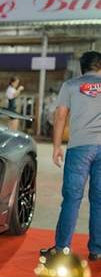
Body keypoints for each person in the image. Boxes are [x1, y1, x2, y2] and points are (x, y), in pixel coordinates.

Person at [40, 51, 101, 261]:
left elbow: (60, 116)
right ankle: (97, 250)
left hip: (79, 148)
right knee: (99, 200)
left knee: (72, 199)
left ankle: (62, 248)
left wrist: (57, 146)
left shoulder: (71, 85)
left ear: (81, 68)